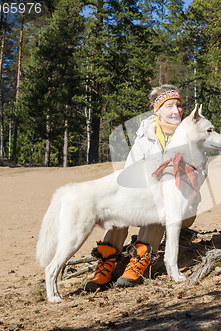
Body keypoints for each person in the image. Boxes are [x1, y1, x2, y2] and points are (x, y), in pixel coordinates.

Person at [85, 84, 195, 291]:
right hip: (146, 194)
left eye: (179, 105)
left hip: (183, 204)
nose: (175, 110)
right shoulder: (145, 136)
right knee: (120, 210)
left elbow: (199, 174)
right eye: (169, 106)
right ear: (157, 111)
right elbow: (130, 174)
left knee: (159, 209)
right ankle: (106, 264)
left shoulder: (192, 132)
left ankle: (138, 263)